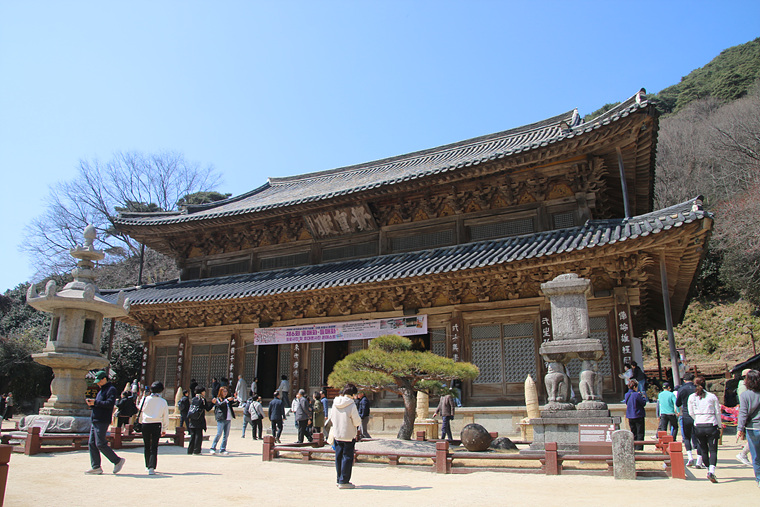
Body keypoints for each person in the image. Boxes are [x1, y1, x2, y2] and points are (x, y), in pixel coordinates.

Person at [85, 370, 126, 475]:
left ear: (104, 379)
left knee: (100, 443)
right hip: (95, 419)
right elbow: (100, 404)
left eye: (99, 381)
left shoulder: (111, 389)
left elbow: (109, 403)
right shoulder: (101, 390)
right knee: (92, 443)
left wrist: (95, 402)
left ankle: (117, 460)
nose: (98, 383)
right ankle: (96, 467)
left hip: (102, 420)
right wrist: (92, 404)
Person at [327, 383, 362, 489]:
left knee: (338, 457)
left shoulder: (335, 403)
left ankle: (339, 479)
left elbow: (331, 417)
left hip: (337, 434)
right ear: (353, 394)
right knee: (347, 457)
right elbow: (357, 421)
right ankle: (344, 480)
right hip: (348, 434)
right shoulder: (351, 405)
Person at [688, 375, 721, 483]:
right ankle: (712, 470)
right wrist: (719, 425)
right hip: (711, 423)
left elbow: (691, 412)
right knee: (713, 449)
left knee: (703, 449)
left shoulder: (692, 397)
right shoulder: (712, 396)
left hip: (699, 424)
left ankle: (707, 468)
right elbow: (717, 412)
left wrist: (697, 419)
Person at [139, 381, 170, 475]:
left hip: (146, 423)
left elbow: (140, 409)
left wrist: (141, 421)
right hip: (157, 424)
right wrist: (164, 428)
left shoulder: (145, 399)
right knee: (154, 446)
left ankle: (147, 465)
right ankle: (151, 467)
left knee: (147, 445)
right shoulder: (163, 401)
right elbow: (165, 416)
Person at [736, 369, 760, 488]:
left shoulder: (745, 395)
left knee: (756, 456)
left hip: (753, 428)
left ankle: (759, 479)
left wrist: (740, 429)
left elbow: (743, 413)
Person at [676, 371, 700, 467]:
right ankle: (699, 459)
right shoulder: (697, 388)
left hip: (686, 414)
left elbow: (678, 403)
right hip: (697, 415)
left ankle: (690, 457)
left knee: (687, 437)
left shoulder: (682, 389)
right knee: (698, 437)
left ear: (684, 380)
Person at [210, 385, 236, 455]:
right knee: (219, 434)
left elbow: (233, 403)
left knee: (226, 435)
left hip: (228, 418)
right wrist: (227, 400)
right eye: (224, 391)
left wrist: (235, 398)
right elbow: (220, 405)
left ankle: (223, 449)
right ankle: (213, 448)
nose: (225, 393)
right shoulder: (218, 399)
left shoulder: (227, 400)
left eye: (226, 391)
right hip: (221, 418)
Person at [187, 386, 213, 455]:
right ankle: (197, 450)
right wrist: (212, 403)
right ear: (202, 392)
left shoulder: (193, 399)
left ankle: (190, 450)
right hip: (199, 419)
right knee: (198, 436)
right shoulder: (202, 400)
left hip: (192, 419)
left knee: (192, 436)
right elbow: (207, 409)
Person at [736, 368, 753, 467]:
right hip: (750, 415)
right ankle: (743, 454)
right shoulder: (743, 387)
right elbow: (744, 405)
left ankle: (743, 453)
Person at [624, 378, 646, 450]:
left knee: (633, 432)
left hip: (630, 415)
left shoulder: (627, 395)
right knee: (640, 433)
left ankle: (633, 447)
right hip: (638, 415)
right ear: (634, 387)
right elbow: (643, 403)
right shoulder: (637, 395)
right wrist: (644, 398)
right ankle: (639, 448)